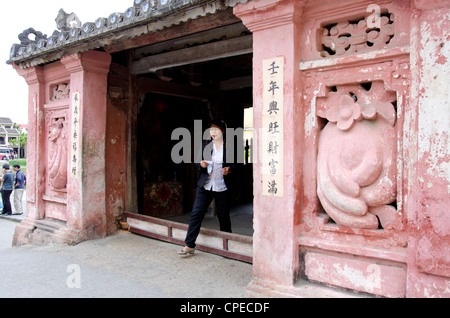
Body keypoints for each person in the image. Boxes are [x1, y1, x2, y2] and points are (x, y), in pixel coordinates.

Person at [177, 119, 235, 255]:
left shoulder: (230, 146)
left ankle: (229, 247)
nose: (213, 132)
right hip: (205, 185)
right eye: (211, 130)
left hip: (222, 187)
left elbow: (237, 165)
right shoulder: (205, 144)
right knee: (196, 214)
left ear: (223, 131)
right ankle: (189, 245)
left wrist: (229, 170)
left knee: (223, 217)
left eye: (216, 129)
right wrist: (201, 165)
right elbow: (197, 163)